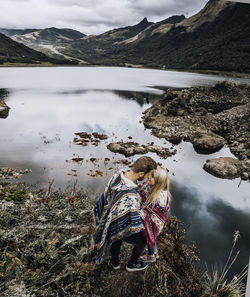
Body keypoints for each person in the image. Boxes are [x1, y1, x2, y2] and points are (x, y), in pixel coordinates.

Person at [90, 156, 157, 272]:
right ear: (141, 173)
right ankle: (132, 264)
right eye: (147, 175)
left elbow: (108, 195)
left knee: (118, 230)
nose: (147, 178)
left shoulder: (119, 174)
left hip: (106, 216)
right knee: (143, 239)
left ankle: (114, 260)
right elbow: (133, 220)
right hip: (113, 222)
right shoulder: (130, 196)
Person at [137, 166, 171, 262]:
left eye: (151, 177)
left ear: (157, 182)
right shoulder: (156, 188)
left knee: (150, 237)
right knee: (152, 237)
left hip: (154, 222)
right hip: (156, 220)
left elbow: (145, 209)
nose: (148, 177)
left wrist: (138, 203)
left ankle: (151, 256)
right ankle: (154, 252)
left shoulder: (159, 198)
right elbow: (143, 188)